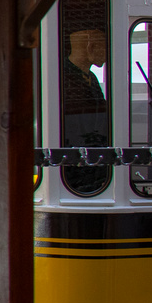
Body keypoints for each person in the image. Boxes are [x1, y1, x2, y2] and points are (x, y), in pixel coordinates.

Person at [60, 26, 110, 194]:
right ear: (91, 47)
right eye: (103, 47)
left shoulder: (92, 78)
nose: (106, 53)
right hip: (72, 163)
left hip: (94, 158)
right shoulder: (62, 76)